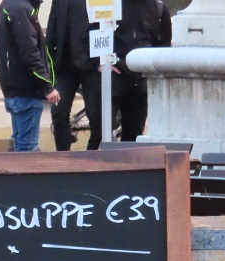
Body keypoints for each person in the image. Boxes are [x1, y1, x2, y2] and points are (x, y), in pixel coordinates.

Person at [0, 0, 60, 151]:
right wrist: (47, 87)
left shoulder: (10, 5)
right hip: (26, 91)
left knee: (19, 144)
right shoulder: (22, 9)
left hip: (15, 89)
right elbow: (30, 54)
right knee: (27, 149)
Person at [112, 0, 172, 143]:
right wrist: (100, 63)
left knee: (134, 135)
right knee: (102, 132)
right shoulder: (110, 4)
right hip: (113, 75)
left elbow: (164, 46)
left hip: (141, 79)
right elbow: (93, 32)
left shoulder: (159, 8)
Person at [46, 0, 102, 151]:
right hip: (64, 67)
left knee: (97, 116)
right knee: (58, 113)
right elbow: (52, 27)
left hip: (93, 66)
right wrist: (49, 61)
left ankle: (92, 156)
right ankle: (63, 157)